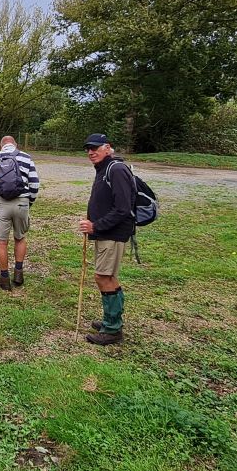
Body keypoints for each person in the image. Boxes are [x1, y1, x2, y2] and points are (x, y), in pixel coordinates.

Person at [78, 133, 134, 346]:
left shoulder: (116, 169)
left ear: (108, 147)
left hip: (112, 234)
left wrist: (95, 225)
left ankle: (112, 329)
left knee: (103, 277)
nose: (91, 152)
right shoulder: (105, 169)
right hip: (106, 233)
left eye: (96, 148)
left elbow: (123, 209)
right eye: (88, 149)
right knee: (107, 276)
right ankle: (111, 321)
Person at [0, 136, 40, 291]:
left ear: (1, 145)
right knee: (20, 237)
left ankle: (4, 278)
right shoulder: (26, 157)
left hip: (2, 202)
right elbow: (35, 183)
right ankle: (18, 273)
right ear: (15, 145)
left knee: (1, 241)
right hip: (22, 202)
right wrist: (29, 202)